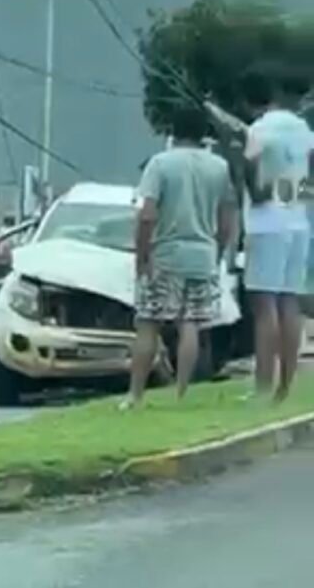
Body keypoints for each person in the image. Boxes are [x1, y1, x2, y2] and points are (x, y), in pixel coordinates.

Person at [124, 107, 236, 409]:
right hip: (202, 254)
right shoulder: (219, 167)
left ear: (173, 132)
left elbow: (147, 214)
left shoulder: (160, 164)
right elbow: (226, 216)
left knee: (149, 322)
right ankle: (181, 393)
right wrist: (218, 248)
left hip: (166, 253)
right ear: (204, 135)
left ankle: (135, 395)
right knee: (191, 324)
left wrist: (142, 256)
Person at [241, 69, 314, 401]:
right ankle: (285, 386)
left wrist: (258, 190)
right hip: (298, 221)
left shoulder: (260, 128)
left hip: (266, 224)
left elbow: (250, 173)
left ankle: (262, 387)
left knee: (264, 306)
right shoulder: (304, 130)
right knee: (290, 303)